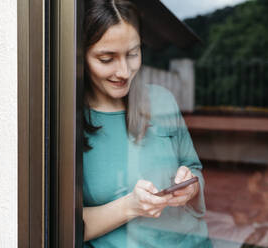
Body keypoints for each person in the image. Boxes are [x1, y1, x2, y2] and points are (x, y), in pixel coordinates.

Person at [82, 0, 212, 247]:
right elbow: (62, 225)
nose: (124, 71)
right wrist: (130, 207)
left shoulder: (162, 100)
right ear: (80, 57)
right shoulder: (65, 122)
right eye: (107, 58)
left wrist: (191, 188)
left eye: (132, 54)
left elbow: (193, 168)